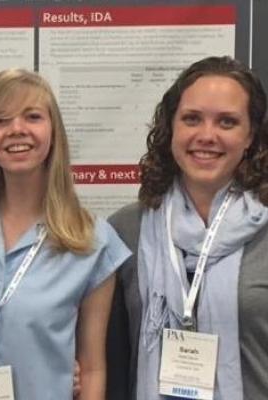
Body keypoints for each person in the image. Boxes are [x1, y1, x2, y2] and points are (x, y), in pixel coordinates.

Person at [0, 69, 130, 400]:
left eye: (32, 116)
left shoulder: (91, 241)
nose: (17, 129)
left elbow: (92, 368)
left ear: (53, 133)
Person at [106, 56, 268, 400]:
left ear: (250, 136)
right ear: (171, 129)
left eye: (227, 122)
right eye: (192, 119)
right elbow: (109, 359)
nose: (206, 135)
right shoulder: (125, 230)